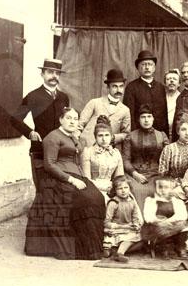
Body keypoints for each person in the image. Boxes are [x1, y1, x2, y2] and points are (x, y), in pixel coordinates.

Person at [24, 107, 105, 260]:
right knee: (86, 200)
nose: (72, 121)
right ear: (61, 119)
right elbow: (49, 164)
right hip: (58, 179)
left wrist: (81, 178)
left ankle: (94, 246)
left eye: (75, 119)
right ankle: (83, 249)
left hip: (76, 175)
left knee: (97, 197)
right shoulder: (53, 137)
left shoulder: (72, 137)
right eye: (68, 118)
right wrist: (71, 180)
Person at [10, 58, 70, 191]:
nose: (54, 76)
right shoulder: (33, 96)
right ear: (42, 74)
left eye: (57, 73)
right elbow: (14, 119)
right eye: (50, 72)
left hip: (61, 151)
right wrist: (30, 133)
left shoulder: (64, 97)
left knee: (63, 188)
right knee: (45, 189)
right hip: (41, 150)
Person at [122, 104, 170, 211]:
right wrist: (135, 174)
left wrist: (162, 173)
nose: (146, 120)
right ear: (138, 119)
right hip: (135, 174)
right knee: (136, 190)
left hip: (157, 174)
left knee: (160, 189)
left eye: (149, 116)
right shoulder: (131, 136)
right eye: (143, 117)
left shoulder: (161, 136)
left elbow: (168, 158)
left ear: (153, 118)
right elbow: (125, 159)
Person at [79, 68, 131, 148]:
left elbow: (126, 134)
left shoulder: (125, 110)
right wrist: (77, 143)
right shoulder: (94, 102)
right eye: (114, 86)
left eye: (121, 86)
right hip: (86, 146)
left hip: (106, 147)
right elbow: (80, 124)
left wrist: (113, 137)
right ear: (108, 87)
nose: (118, 90)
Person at [141, 177, 188, 258]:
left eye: (166, 187)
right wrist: (158, 221)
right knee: (161, 227)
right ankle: (164, 248)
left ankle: (180, 247)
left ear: (171, 189)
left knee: (184, 225)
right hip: (156, 226)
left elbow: (182, 215)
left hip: (171, 225)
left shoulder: (177, 201)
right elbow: (148, 216)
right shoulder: (151, 200)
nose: (163, 190)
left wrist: (169, 221)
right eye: (160, 187)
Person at [123, 50, 169, 134]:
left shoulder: (160, 87)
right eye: (143, 64)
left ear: (154, 68)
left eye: (150, 64)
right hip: (139, 134)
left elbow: (164, 114)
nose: (147, 67)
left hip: (158, 135)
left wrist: (164, 135)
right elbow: (129, 115)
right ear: (138, 68)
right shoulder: (131, 87)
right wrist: (133, 135)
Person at [80, 115, 124, 198]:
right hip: (93, 189)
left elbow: (120, 179)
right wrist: (104, 188)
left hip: (112, 189)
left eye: (107, 135)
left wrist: (114, 188)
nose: (104, 139)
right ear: (95, 137)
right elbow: (86, 180)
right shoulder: (88, 152)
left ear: (111, 136)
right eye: (100, 135)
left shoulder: (116, 153)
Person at [103, 176, 144, 262]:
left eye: (126, 187)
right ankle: (119, 253)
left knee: (142, 239)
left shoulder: (132, 202)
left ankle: (113, 249)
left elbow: (135, 218)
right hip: (117, 229)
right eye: (120, 188)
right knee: (130, 239)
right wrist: (121, 226)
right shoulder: (113, 203)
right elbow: (107, 222)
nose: (123, 191)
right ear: (115, 190)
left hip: (128, 229)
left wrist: (136, 224)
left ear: (129, 189)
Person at [159, 112, 188, 181]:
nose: (187, 133)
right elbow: (162, 173)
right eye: (183, 129)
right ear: (178, 131)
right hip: (172, 184)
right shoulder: (169, 149)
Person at [164, 68, 181, 134]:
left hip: (177, 132)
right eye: (168, 79)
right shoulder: (160, 97)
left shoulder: (183, 98)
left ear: (179, 83)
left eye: (174, 79)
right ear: (165, 83)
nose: (171, 81)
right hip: (163, 131)